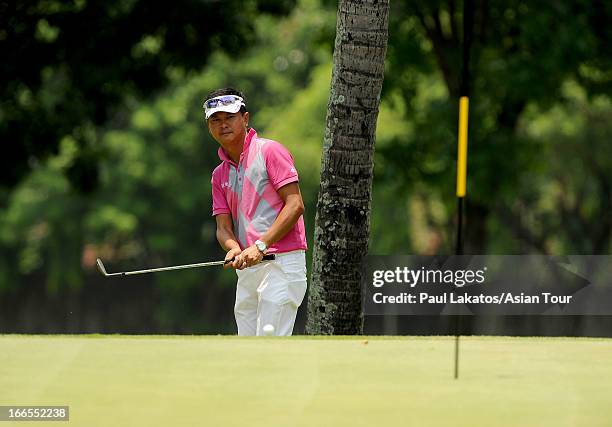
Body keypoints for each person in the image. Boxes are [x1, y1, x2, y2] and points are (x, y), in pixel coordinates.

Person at [204, 87, 308, 336]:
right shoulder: (219, 175)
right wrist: (233, 248)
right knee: (248, 347)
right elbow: (223, 228)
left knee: (270, 341)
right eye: (215, 120)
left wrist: (260, 246)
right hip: (248, 269)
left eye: (229, 117)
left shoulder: (269, 151)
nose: (223, 125)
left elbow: (295, 205)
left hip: (281, 264)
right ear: (209, 126)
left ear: (245, 118)